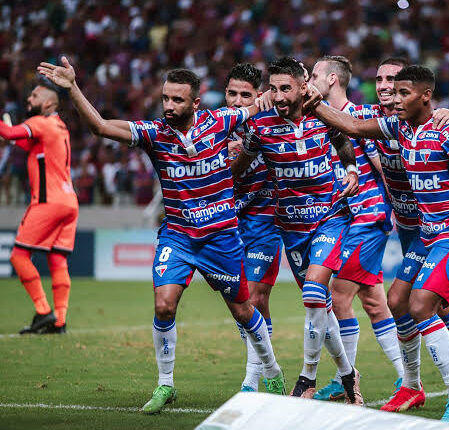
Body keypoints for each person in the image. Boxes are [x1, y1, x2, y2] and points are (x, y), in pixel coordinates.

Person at [38, 57, 286, 414]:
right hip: (179, 236)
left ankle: (272, 370)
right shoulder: (155, 133)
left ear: (195, 103)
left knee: (245, 311)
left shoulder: (221, 121)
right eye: (166, 99)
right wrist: (73, 87)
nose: (169, 106)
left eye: (177, 100)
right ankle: (166, 384)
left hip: (221, 237)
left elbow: (261, 104)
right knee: (163, 304)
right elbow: (101, 127)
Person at [307, 65, 449, 423]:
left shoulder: (447, 129)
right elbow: (350, 125)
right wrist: (309, 100)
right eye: (391, 90)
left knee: (421, 304)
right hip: (426, 236)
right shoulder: (399, 127)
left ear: (425, 95)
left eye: (404, 93)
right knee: (442, 309)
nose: (395, 98)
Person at [336, 57, 449, 412]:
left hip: (435, 225)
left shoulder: (427, 120)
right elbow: (341, 115)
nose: (384, 85)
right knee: (431, 303)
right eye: (378, 78)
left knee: (420, 302)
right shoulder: (376, 117)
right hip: (407, 225)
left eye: (393, 79)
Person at [231, 57, 363, 405]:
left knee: (313, 295)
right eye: (273, 89)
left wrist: (350, 169)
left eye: (285, 88)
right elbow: (238, 171)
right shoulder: (262, 127)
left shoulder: (322, 114)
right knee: (321, 306)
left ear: (303, 87)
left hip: (329, 216)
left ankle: (306, 378)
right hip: (291, 226)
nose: (278, 95)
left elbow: (344, 141)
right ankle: (350, 378)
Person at [307, 56, 402, 400]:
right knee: (374, 301)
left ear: (332, 79)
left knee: (336, 295)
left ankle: (347, 375)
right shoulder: (322, 121)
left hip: (369, 217)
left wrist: (398, 215)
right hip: (352, 219)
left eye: (315, 74)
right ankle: (406, 377)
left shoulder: (360, 117)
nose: (310, 79)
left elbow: (385, 170)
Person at [0, 82, 78, 335]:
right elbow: (22, 141)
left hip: (48, 201)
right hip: (69, 202)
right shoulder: (59, 127)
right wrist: (9, 132)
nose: (29, 99)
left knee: (18, 256)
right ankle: (60, 321)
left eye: (34, 95)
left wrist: (7, 131)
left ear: (47, 104)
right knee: (57, 260)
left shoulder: (43, 123)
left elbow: (12, 135)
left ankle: (43, 311)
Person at [224, 63, 284, 392]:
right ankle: (269, 368)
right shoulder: (214, 127)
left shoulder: (270, 121)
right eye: (231, 93)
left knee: (257, 298)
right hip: (229, 225)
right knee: (242, 303)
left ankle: (251, 381)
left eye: (244, 95)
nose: (236, 101)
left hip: (265, 219)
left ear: (258, 96)